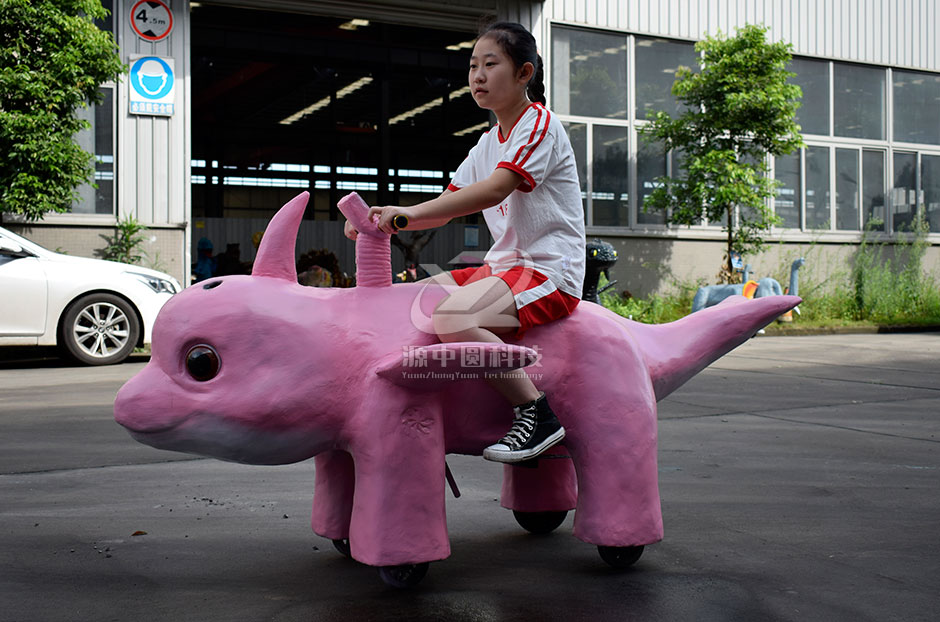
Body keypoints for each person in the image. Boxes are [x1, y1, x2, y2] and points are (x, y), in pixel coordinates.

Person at [346, 22, 585, 463]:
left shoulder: (540, 125)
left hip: (548, 269)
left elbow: (496, 189)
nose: (477, 75)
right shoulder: (486, 142)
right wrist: (385, 218)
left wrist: (408, 214)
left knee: (453, 316)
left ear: (524, 73)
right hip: (502, 267)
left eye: (490, 65)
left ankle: (537, 413)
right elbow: (450, 203)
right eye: (472, 65)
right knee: (414, 304)